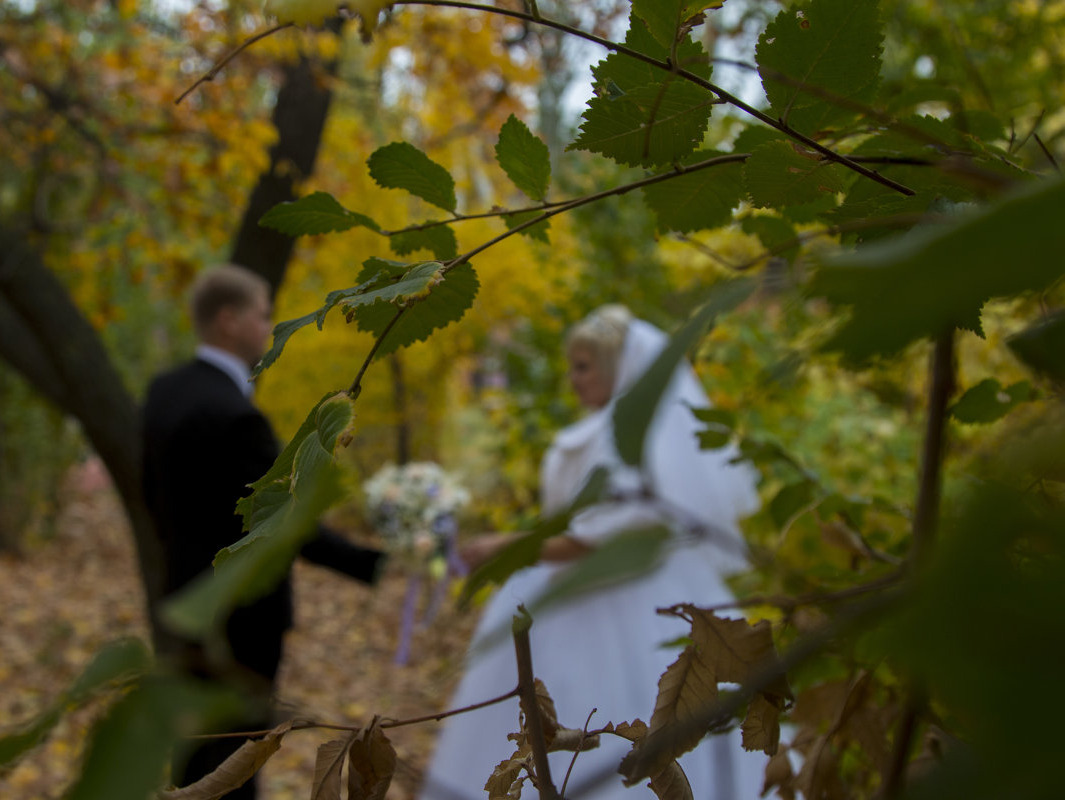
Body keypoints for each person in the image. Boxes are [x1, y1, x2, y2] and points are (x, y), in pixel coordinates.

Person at [419, 305, 766, 800]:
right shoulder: (605, 430)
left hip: (620, 600)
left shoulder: (623, 442)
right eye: (572, 366)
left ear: (617, 367)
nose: (573, 378)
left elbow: (595, 539)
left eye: (583, 366)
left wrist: (506, 547)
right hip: (570, 597)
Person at [141, 263, 384, 798]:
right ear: (228, 320)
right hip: (245, 613)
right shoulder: (234, 415)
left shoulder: (163, 392)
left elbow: (149, 495)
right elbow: (287, 523)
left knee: (196, 750)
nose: (269, 325)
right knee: (238, 759)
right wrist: (374, 564)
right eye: (263, 314)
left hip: (183, 598)